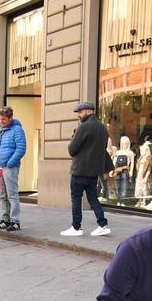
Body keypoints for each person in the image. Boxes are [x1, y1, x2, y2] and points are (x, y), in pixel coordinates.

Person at [62, 100, 112, 238]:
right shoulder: (103, 127)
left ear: (88, 111)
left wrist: (74, 136)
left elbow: (72, 149)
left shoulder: (83, 127)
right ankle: (103, 225)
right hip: (93, 171)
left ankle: (76, 227)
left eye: (80, 112)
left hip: (80, 170)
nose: (78, 115)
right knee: (93, 198)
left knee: (76, 198)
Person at [0, 105, 26, 230]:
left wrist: (10, 162)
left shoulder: (17, 130)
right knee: (3, 195)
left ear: (10, 118)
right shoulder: (1, 130)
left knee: (12, 195)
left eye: (4, 119)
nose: (1, 121)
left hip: (10, 167)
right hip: (1, 166)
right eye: (0, 119)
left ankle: (15, 221)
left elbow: (21, 148)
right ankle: (5, 219)